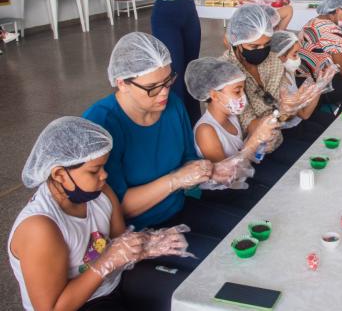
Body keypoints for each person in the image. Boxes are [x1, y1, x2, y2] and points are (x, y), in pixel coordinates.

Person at [83, 33, 246, 273]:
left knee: (246, 231)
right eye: (152, 87)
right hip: (135, 235)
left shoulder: (173, 105)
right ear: (122, 83)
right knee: (221, 266)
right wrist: (175, 180)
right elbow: (116, 208)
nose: (164, 93)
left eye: (168, 81)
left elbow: (188, 159)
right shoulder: (102, 124)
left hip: (178, 209)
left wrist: (208, 171)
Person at [9, 116, 195, 311]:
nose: (104, 175)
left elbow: (118, 239)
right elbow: (52, 308)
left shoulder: (101, 192)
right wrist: (105, 261)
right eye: (94, 170)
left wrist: (149, 244)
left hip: (112, 282)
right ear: (59, 174)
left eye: (104, 166)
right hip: (81, 303)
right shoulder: (41, 228)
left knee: (189, 290)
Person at [221, 4, 316, 171]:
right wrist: (284, 112)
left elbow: (281, 103)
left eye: (266, 45)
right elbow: (250, 125)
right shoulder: (226, 73)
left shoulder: (272, 61)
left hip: (277, 140)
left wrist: (297, 101)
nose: (262, 51)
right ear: (237, 41)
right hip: (248, 157)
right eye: (254, 47)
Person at [185, 57, 282, 204]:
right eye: (237, 91)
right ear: (215, 95)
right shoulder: (206, 130)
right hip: (222, 195)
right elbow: (227, 176)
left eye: (243, 90)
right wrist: (255, 140)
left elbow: (245, 153)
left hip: (243, 180)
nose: (243, 96)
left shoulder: (232, 117)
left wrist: (262, 142)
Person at [270, 31, 336, 135]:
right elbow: (304, 114)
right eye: (295, 54)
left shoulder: (288, 72)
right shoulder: (278, 83)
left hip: (298, 120)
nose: (298, 58)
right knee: (323, 133)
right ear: (280, 56)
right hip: (288, 129)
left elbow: (303, 104)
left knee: (333, 121)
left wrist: (317, 81)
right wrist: (320, 85)